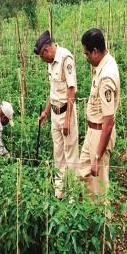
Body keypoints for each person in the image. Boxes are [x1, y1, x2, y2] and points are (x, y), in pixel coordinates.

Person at [34, 30, 79, 198]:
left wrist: (67, 119)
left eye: (41, 56)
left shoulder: (65, 58)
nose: (42, 60)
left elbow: (71, 88)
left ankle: (73, 197)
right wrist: (46, 111)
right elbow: (53, 90)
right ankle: (59, 194)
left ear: (47, 50)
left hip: (66, 112)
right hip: (54, 114)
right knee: (58, 154)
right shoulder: (50, 62)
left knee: (71, 155)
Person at [78, 28, 120, 198]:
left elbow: (108, 121)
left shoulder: (106, 76)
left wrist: (97, 155)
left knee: (100, 188)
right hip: (92, 132)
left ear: (95, 51)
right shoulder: (103, 64)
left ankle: (104, 221)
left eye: (87, 54)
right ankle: (91, 216)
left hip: (100, 134)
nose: (86, 58)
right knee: (84, 174)